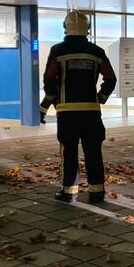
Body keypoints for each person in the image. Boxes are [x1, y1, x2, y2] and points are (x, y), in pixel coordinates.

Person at [40, 11, 117, 204]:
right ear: (88, 28)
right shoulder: (97, 52)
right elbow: (111, 78)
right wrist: (100, 97)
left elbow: (49, 81)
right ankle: (96, 193)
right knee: (94, 152)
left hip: (67, 113)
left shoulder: (58, 51)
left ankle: (69, 193)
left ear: (65, 28)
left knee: (69, 153)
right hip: (91, 113)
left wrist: (46, 106)